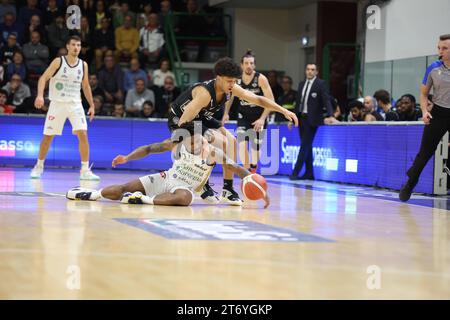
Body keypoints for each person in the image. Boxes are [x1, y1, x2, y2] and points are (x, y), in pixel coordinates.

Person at [167, 57, 298, 205]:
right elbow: (184, 122)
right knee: (217, 142)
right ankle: (203, 185)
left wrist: (283, 111)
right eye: (229, 81)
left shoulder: (231, 87)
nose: (233, 84)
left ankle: (227, 189)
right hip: (180, 119)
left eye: (235, 81)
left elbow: (257, 99)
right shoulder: (204, 93)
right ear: (219, 78)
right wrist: (196, 141)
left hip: (202, 117)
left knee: (232, 141)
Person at [66, 123, 270, 208]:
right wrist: (126, 158)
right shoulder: (177, 143)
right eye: (190, 141)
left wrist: (260, 189)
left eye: (197, 140)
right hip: (166, 178)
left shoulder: (213, 153)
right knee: (122, 189)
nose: (195, 143)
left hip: (185, 187)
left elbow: (238, 169)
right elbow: (148, 149)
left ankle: (143, 200)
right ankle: (90, 194)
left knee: (184, 198)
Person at [30, 35, 99, 180]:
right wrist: (40, 95)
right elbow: (43, 78)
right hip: (57, 103)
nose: (76, 48)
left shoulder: (83, 65)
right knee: (48, 137)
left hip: (75, 104)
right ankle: (39, 166)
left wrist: (92, 105)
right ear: (67, 46)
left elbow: (85, 86)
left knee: (83, 134)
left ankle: (85, 170)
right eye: (73, 45)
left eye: (79, 45)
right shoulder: (58, 61)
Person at [399, 34, 450, 201]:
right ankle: (411, 182)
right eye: (439, 48)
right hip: (438, 113)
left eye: (445, 48)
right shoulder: (433, 68)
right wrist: (424, 111)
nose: (440, 51)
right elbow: (423, 94)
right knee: (425, 152)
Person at [223, 50, 274, 173]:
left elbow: (271, 100)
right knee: (241, 143)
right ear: (242, 65)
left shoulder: (261, 79)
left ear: (254, 65)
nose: (249, 66)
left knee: (255, 147)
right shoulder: (237, 79)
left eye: (251, 63)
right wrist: (226, 112)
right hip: (243, 115)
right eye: (246, 63)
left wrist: (262, 119)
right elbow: (230, 97)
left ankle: (253, 169)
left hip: (259, 116)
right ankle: (246, 171)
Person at [289, 63, 335, 180]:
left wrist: (331, 115)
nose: (310, 71)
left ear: (316, 72)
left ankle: (295, 172)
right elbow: (298, 103)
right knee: (307, 146)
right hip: (301, 118)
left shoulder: (320, 84)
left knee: (304, 145)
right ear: (305, 71)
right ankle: (310, 173)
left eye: (312, 70)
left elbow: (326, 99)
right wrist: (292, 118)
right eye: (308, 69)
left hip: (313, 120)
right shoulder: (301, 84)